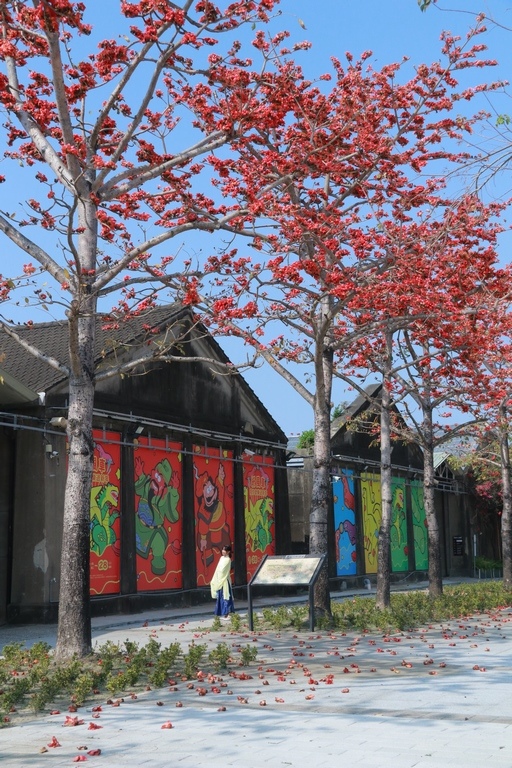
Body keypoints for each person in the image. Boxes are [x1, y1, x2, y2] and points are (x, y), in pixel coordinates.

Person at [210, 545, 235, 619]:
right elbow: (218, 569)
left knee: (226, 598)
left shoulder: (228, 560)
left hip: (224, 581)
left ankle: (227, 614)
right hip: (219, 580)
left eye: (225, 550)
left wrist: (219, 578)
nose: (223, 551)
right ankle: (222, 613)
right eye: (223, 550)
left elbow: (223, 571)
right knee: (220, 598)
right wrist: (215, 578)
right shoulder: (221, 558)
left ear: (228, 552)